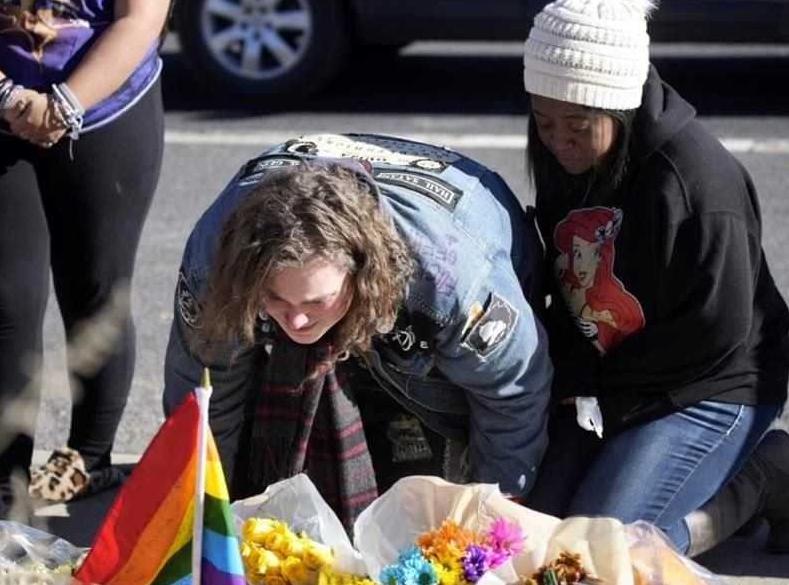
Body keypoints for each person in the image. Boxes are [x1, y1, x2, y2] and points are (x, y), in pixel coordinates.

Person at [520, 0, 789, 556]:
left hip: (714, 383)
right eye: (543, 121)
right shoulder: (566, 151)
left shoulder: (699, 182)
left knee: (595, 559)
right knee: (527, 538)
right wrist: (568, 378)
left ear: (620, 107)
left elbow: (720, 332)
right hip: (618, 376)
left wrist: (599, 388)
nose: (557, 142)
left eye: (577, 126)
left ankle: (762, 477)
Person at [163, 133, 553, 530]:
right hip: (353, 306)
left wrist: (491, 516)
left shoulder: (453, 283)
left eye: (315, 301)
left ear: (360, 272)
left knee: (424, 520)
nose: (296, 320)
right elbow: (204, 394)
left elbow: (513, 395)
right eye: (275, 298)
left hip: (436, 337)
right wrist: (205, 513)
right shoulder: (217, 264)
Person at [0, 0, 184, 522]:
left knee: (96, 290)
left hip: (108, 115)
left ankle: (90, 458)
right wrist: (7, 97)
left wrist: (65, 103)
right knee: (4, 304)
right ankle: (5, 478)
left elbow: (143, 16)